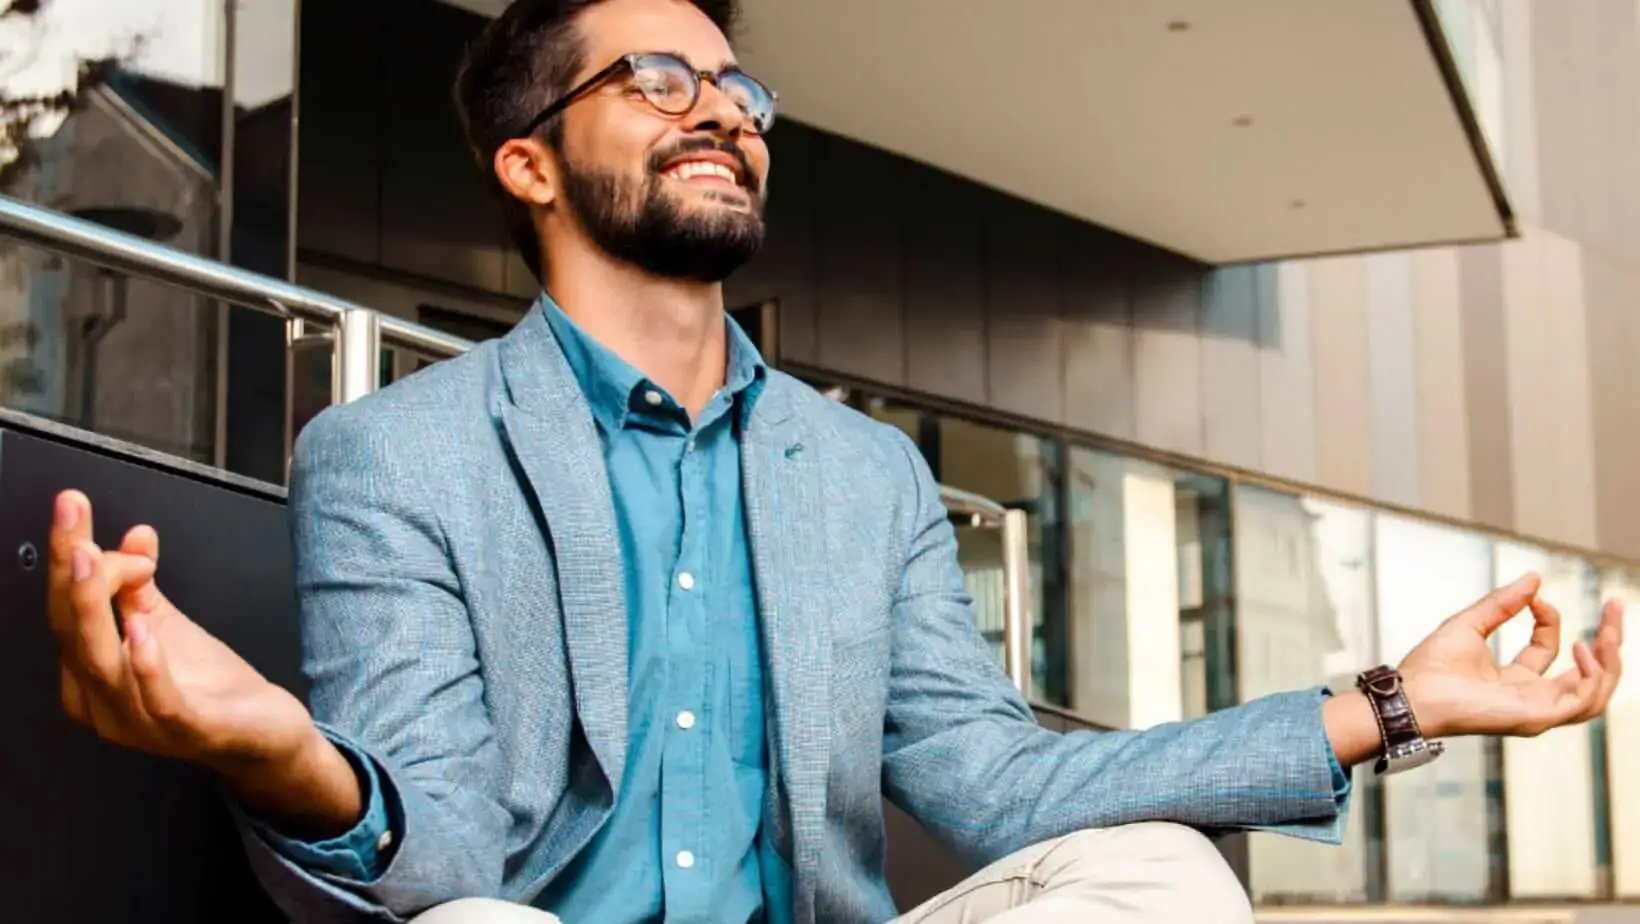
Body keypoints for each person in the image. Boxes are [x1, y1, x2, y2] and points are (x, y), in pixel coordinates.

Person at [44, 0, 1625, 921]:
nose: (721, 109)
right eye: (658, 81)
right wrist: (275, 751)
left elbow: (999, 787)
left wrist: (1393, 707)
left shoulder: (862, 477)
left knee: (1153, 877)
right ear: (528, 161)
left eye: (740, 89)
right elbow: (443, 850)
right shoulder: (394, 454)